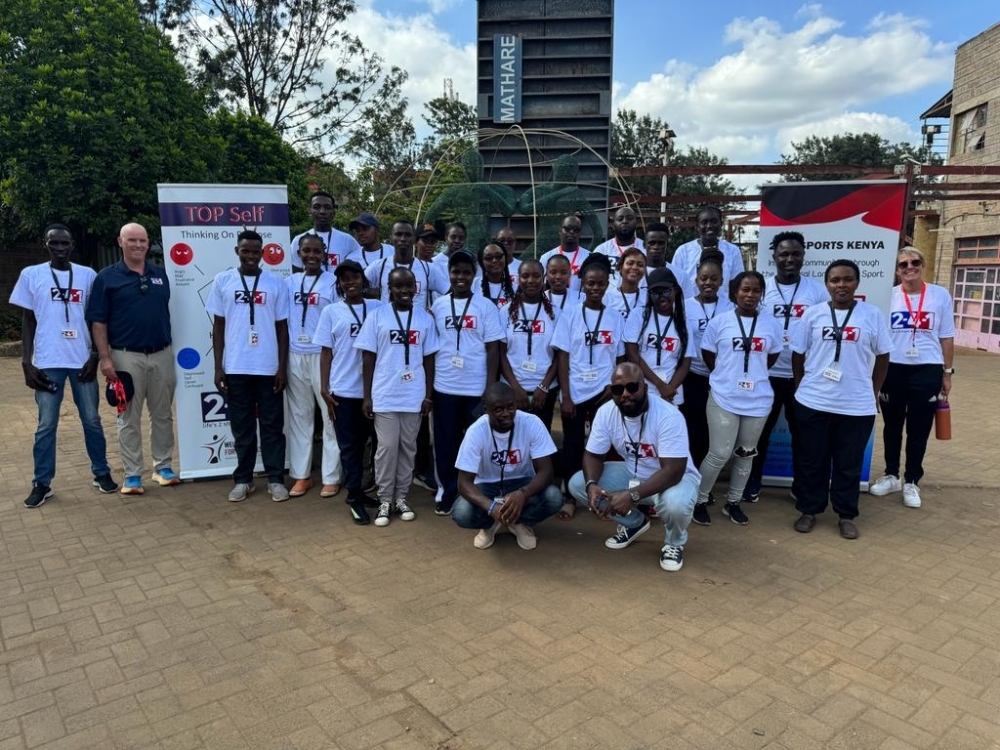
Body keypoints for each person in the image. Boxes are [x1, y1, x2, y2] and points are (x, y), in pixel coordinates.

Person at [12, 224, 117, 508]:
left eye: (65, 243)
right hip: (47, 361)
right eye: (54, 243)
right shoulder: (31, 274)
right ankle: (42, 483)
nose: (60, 248)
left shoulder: (87, 275)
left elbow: (96, 318)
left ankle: (101, 472)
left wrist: (95, 355)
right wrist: (26, 360)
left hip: (80, 360)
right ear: (45, 244)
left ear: (72, 245)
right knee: (46, 424)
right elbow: (28, 320)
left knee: (92, 421)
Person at [791, 260, 891, 539]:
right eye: (835, 280)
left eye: (847, 280)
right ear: (827, 285)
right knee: (812, 460)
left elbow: (883, 356)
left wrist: (873, 391)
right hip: (813, 402)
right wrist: (801, 387)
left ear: (857, 283)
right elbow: (798, 354)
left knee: (848, 462)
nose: (841, 285)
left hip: (856, 406)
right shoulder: (813, 314)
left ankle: (846, 514)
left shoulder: (871, 315)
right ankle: (809, 509)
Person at [567, 363, 700, 572]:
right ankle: (635, 523)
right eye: (618, 390)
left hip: (674, 479)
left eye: (632, 387)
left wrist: (631, 496)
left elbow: (673, 470)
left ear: (645, 387)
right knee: (578, 484)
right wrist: (592, 484)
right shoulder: (606, 413)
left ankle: (674, 543)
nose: (626, 394)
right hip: (634, 474)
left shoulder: (668, 415)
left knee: (675, 504)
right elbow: (593, 455)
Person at [87, 223, 179, 495]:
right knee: (128, 417)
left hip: (162, 353)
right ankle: (132, 475)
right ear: (120, 242)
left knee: (162, 415)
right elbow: (98, 322)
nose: (138, 245)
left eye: (143, 240)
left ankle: (162, 467)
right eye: (132, 240)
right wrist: (105, 358)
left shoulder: (160, 275)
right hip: (126, 357)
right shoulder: (107, 277)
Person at [743, 232, 829, 503]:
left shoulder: (816, 291)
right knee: (759, 433)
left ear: (803, 256)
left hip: (802, 376)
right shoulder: (762, 287)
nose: (790, 259)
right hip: (765, 374)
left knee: (802, 435)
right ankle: (752, 481)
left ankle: (801, 485)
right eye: (784, 254)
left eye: (795, 254)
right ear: (774, 257)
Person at [207, 230, 290, 503]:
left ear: (263, 252)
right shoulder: (223, 281)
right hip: (236, 366)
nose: (251, 256)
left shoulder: (276, 284)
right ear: (237, 251)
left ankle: (276, 478)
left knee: (271, 426)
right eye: (246, 251)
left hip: (267, 367)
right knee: (241, 427)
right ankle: (243, 479)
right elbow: (218, 327)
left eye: (256, 251)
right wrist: (219, 367)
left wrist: (281, 368)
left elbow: (281, 329)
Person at [693, 271, 781, 526]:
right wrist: (726, 375)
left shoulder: (770, 324)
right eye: (745, 290)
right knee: (719, 453)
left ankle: (733, 502)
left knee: (745, 453)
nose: (750, 295)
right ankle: (699, 499)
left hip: (758, 399)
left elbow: (771, 357)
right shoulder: (720, 322)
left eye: (755, 291)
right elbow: (709, 354)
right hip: (724, 397)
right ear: (734, 293)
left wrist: (753, 373)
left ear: (761, 294)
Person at [870, 246, 955, 509]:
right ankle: (892, 475)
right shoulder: (888, 296)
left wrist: (947, 373)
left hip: (927, 368)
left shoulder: (940, 295)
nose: (910, 267)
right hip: (894, 368)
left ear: (923, 264)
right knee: (892, 427)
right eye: (903, 264)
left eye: (915, 262)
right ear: (896, 270)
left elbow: (947, 335)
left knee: (919, 429)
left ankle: (912, 481)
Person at [356, 267, 440, 527]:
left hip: (413, 396)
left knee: (408, 448)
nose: (404, 291)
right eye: (397, 286)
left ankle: (401, 497)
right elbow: (368, 358)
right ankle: (384, 499)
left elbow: (428, 361)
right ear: (388, 289)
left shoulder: (425, 319)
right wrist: (367, 396)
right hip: (385, 393)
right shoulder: (377, 316)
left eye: (408, 286)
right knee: (386, 448)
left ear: (416, 288)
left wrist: (427, 395)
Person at [552, 254, 627, 518]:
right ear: (582, 284)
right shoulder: (570, 315)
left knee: (601, 446)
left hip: (605, 393)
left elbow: (619, 359)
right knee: (572, 444)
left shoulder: (616, 317)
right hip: (576, 391)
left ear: (608, 285)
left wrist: (614, 389)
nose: (595, 288)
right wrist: (566, 396)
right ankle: (570, 497)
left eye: (601, 284)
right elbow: (563, 357)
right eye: (591, 283)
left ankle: (601, 494)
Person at [430, 252, 504, 516]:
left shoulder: (485, 307)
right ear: (449, 273)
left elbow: (493, 349)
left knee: (477, 444)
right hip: (445, 387)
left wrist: (489, 389)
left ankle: (478, 492)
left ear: (474, 275)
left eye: (466, 272)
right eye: (456, 272)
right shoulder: (438, 306)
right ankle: (447, 491)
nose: (460, 277)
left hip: (476, 389)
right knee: (446, 443)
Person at [453, 383, 563, 550]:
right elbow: (463, 483)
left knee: (554, 497)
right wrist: (491, 507)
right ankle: (491, 524)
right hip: (487, 487)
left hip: (522, 483)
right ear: (486, 410)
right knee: (462, 512)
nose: (506, 413)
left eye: (511, 407)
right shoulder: (476, 431)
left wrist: (522, 494)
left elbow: (547, 471)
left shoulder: (532, 423)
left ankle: (518, 522)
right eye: (498, 409)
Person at [316, 260, 383, 524]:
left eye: (355, 276)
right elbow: (325, 352)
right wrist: (324, 387)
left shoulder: (378, 308)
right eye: (344, 278)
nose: (350, 282)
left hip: (375, 390)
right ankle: (354, 495)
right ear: (339, 284)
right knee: (349, 446)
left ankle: (360, 490)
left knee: (371, 443)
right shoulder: (331, 312)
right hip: (343, 391)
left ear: (363, 281)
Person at [284, 234, 341, 499]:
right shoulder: (289, 282)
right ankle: (302, 475)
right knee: (300, 417)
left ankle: (331, 477)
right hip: (296, 354)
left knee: (329, 415)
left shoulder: (332, 282)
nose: (311, 256)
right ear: (299, 252)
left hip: (323, 355)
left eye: (316, 251)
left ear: (324, 254)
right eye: (306, 251)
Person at [679, 251, 732, 469]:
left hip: (720, 377)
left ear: (721, 281)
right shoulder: (684, 306)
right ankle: (691, 470)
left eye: (713, 278)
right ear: (696, 280)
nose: (708, 282)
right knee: (693, 426)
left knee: (714, 428)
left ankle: (707, 475)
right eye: (704, 278)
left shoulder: (729, 307)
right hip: (692, 375)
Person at [499, 259, 561, 430]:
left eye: (536, 276)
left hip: (545, 391)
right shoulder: (505, 311)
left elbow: (559, 356)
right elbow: (501, 353)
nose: (531, 280)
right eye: (525, 276)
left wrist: (544, 386)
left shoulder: (556, 312)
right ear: (518, 279)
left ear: (544, 278)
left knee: (540, 441)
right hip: (512, 389)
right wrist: (515, 387)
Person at [624, 267, 693, 406]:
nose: (662, 297)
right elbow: (632, 353)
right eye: (655, 293)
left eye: (666, 291)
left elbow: (685, 363)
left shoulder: (683, 322)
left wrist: (669, 388)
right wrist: (660, 385)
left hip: (672, 393)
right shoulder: (638, 315)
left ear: (676, 290)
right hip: (642, 389)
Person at [366, 219, 447, 311]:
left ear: (414, 239)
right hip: (388, 323)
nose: (403, 239)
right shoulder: (379, 266)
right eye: (398, 234)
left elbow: (450, 293)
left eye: (407, 235)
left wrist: (436, 312)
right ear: (391, 237)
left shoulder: (428, 269)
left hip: (418, 323)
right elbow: (357, 287)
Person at [671, 206, 745, 297]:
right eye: (704, 222)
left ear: (721, 224)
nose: (709, 226)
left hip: (724, 309)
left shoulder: (733, 251)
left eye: (714, 221)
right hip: (691, 309)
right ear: (697, 226)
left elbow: (737, 285)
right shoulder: (683, 252)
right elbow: (674, 284)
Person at [290, 191, 360, 271]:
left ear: (333, 212)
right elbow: (296, 274)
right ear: (310, 211)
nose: (322, 211)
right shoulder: (298, 240)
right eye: (316, 207)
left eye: (327, 207)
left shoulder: (348, 240)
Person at [538, 214, 591, 293]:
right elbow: (542, 285)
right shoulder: (546, 257)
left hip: (579, 303)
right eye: (567, 229)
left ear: (580, 233)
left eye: (576, 229)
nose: (571, 232)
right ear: (560, 231)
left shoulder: (589, 257)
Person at [593, 206, 645, 280]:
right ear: (613, 224)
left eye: (629, 218)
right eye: (620, 219)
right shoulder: (601, 250)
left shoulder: (645, 249)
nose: (625, 221)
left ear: (637, 222)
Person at [603, 247, 647, 320]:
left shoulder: (648, 299)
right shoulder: (606, 298)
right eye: (630, 263)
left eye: (640, 265)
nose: (635, 267)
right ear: (620, 267)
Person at [475, 243, 516, 309]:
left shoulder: (517, 285)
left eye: (499, 256)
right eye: (488, 258)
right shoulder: (473, 285)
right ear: (481, 262)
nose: (494, 260)